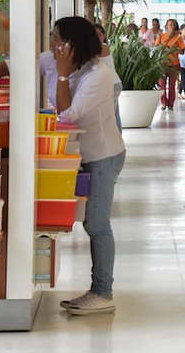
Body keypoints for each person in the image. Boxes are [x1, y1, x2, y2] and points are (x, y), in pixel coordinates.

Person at [49, 17, 125, 315]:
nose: (53, 44)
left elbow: (67, 113)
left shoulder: (97, 75)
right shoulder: (75, 67)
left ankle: (103, 293)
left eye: (56, 38)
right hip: (87, 156)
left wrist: (63, 75)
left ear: (71, 44)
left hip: (104, 156)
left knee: (97, 224)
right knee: (90, 221)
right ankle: (97, 289)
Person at [93, 24, 123, 132]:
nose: (96, 37)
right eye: (93, 35)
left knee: (111, 115)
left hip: (112, 84)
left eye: (98, 34)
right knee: (114, 114)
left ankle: (116, 139)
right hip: (108, 85)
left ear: (104, 35)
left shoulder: (103, 47)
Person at [155, 19, 185, 111]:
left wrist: (172, 49)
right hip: (162, 64)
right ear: (166, 26)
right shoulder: (161, 36)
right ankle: (164, 102)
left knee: (172, 85)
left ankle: (171, 104)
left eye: (174, 25)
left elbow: (182, 51)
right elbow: (156, 47)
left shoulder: (178, 38)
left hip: (174, 64)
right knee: (162, 85)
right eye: (170, 24)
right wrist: (162, 48)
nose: (172, 26)